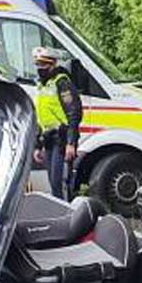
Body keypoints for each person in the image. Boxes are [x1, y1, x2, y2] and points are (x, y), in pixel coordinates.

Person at [32, 46, 82, 199]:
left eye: (44, 65)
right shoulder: (43, 85)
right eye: (38, 65)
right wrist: (37, 145)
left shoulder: (62, 83)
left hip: (62, 138)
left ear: (53, 64)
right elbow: (41, 118)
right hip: (48, 139)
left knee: (59, 183)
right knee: (53, 184)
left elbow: (74, 112)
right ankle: (60, 217)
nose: (40, 69)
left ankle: (69, 217)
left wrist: (71, 143)